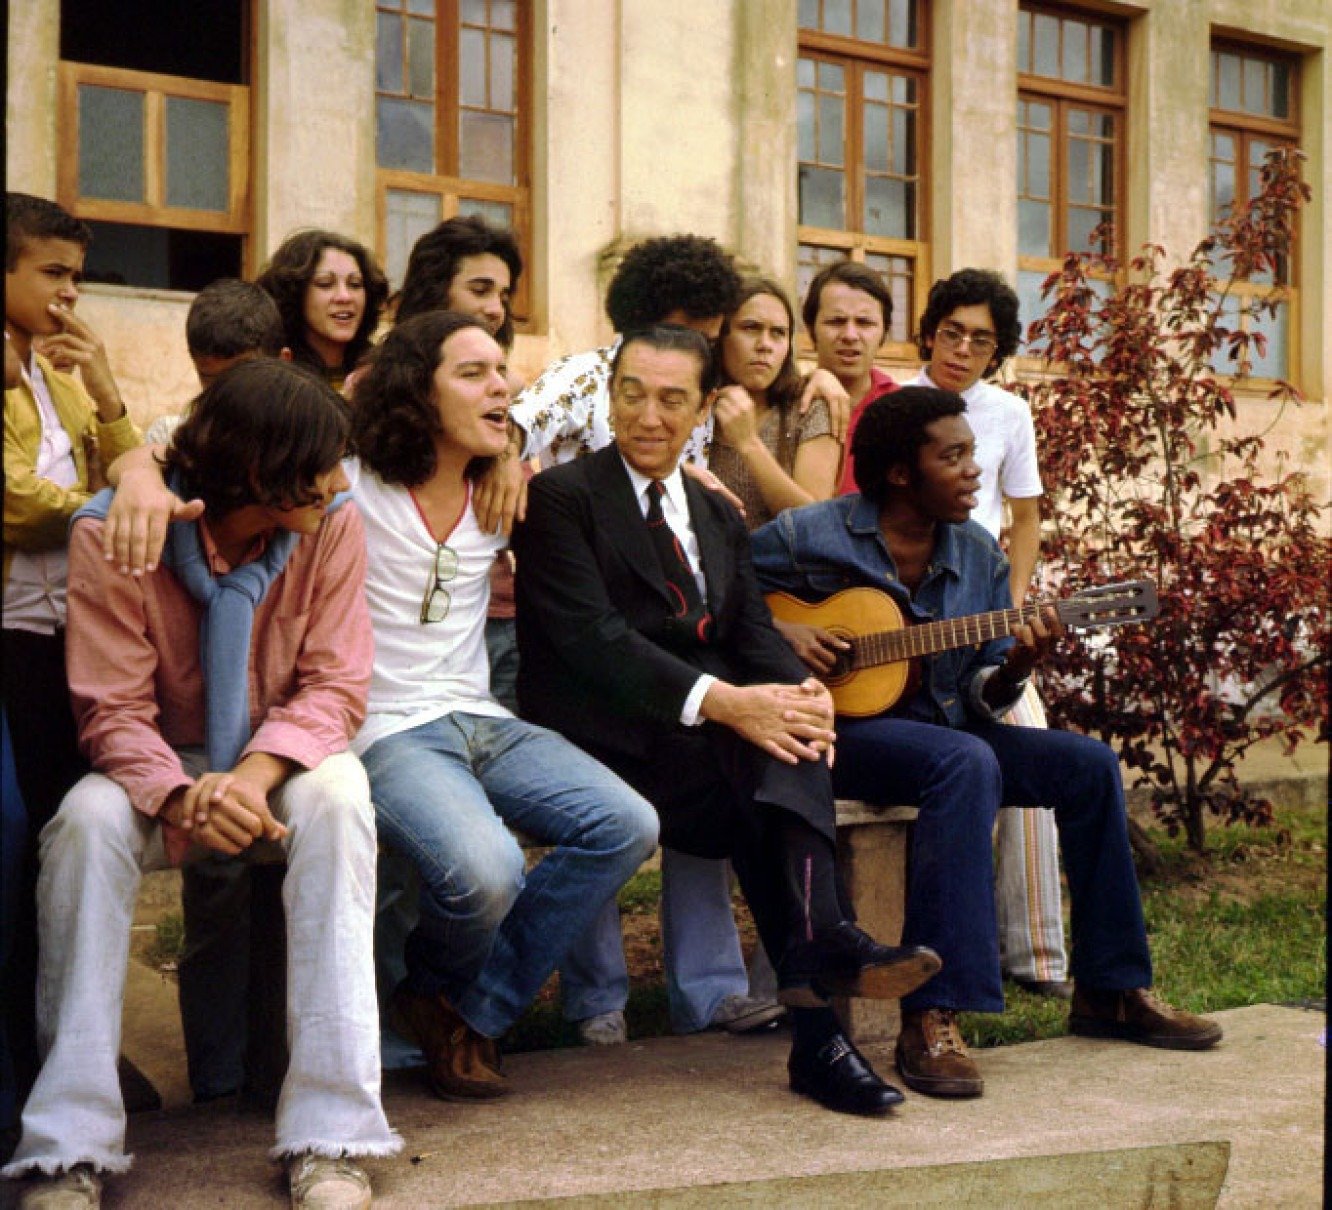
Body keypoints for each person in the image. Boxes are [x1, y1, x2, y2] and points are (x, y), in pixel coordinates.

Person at [513, 323, 941, 1116]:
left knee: (790, 737)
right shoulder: (562, 497)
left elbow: (749, 631)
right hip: (597, 734)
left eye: (672, 400)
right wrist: (733, 704)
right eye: (633, 395)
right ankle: (827, 960)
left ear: (704, 409)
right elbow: (592, 644)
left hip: (700, 740)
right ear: (610, 398)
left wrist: (799, 692)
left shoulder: (716, 512)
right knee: (763, 764)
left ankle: (818, 1024)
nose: (649, 416)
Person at [2, 359, 399, 1209]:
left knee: (339, 798)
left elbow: (335, 684)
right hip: (159, 760)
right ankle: (67, 1146)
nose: (337, 482)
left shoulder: (331, 523)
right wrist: (185, 797)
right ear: (259, 469)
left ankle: (332, 1136)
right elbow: (110, 713)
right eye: (321, 464)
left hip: (276, 753)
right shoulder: (116, 533)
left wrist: (250, 779)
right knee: (83, 826)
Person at [750, 387, 1223, 1101]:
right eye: (956, 456)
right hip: (843, 733)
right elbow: (721, 593)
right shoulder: (810, 532)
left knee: (1087, 765)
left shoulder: (977, 553)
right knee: (964, 761)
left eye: (975, 453)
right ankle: (932, 1013)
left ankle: (1110, 989)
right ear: (903, 473)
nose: (977, 470)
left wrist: (1022, 662)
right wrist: (787, 633)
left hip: (943, 728)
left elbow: (985, 694)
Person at [491, 234, 800, 1043]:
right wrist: (505, 471)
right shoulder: (584, 378)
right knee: (605, 790)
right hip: (564, 632)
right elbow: (510, 434)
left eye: (708, 327)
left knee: (722, 756)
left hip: (663, 658)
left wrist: (791, 695)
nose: (652, 408)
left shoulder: (690, 412)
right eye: (685, 322)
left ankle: (724, 988)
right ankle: (596, 1001)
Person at [346, 310, 659, 1100]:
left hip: (481, 715)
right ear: (418, 392)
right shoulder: (349, 482)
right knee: (486, 872)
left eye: (503, 370)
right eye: (476, 374)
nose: (506, 387)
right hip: (387, 727)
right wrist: (141, 474)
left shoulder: (505, 489)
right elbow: (190, 449)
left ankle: (467, 1009)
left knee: (627, 823)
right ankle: (439, 995)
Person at [2, 193, 140, 1143]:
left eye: (76, 276)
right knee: (13, 847)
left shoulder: (59, 366)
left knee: (61, 844)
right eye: (52, 273)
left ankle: (66, 1046)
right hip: (9, 634)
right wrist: (108, 503)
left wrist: (110, 392)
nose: (68, 294)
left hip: (65, 638)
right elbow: (16, 504)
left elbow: (129, 465)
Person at [142, 278, 296, 1111]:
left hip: (277, 735)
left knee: (280, 904)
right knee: (213, 896)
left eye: (234, 382)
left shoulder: (307, 456)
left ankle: (273, 1075)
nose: (219, 406)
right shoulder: (177, 445)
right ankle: (215, 1078)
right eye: (208, 385)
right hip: (199, 732)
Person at [908, 268, 1069, 997]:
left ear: (996, 351)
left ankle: (1036, 959)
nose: (962, 348)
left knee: (1027, 741)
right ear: (930, 329)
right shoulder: (893, 402)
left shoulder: (1008, 413)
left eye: (981, 339)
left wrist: (1010, 602)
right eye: (951, 332)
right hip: (902, 617)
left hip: (982, 615)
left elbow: (1025, 516)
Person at [709, 277, 841, 529]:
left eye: (778, 333)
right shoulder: (697, 408)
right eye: (750, 328)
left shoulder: (808, 408)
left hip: (779, 566)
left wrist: (748, 444)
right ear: (721, 335)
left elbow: (813, 524)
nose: (765, 345)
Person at [797, 260, 897, 495]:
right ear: (811, 329)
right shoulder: (788, 403)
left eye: (864, 323)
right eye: (836, 321)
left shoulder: (903, 411)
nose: (850, 335)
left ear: (884, 332)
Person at [255, 229, 388, 390]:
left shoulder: (384, 371)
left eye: (355, 284)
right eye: (325, 283)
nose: (345, 297)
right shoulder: (272, 374)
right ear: (296, 293)